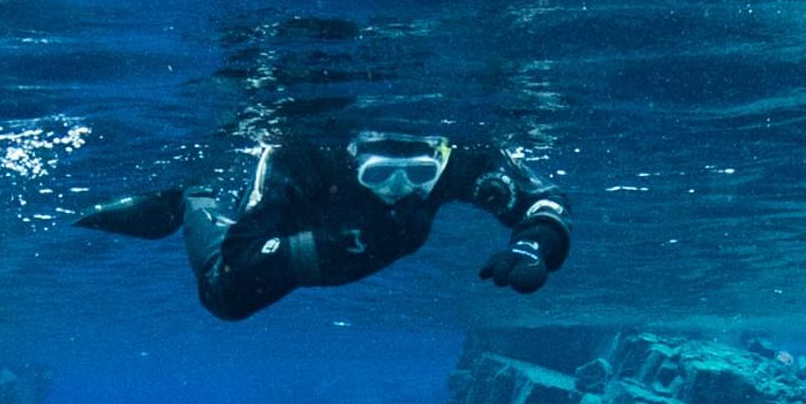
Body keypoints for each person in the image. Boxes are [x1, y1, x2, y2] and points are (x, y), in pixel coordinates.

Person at [79, 116, 572, 321]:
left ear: (442, 160)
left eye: (420, 173)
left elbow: (543, 201)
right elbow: (240, 260)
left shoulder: (466, 157)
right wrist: (330, 247)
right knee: (224, 299)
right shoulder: (300, 156)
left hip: (356, 246)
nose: (400, 189)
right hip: (305, 225)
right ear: (352, 157)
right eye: (380, 174)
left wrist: (533, 244)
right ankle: (194, 199)